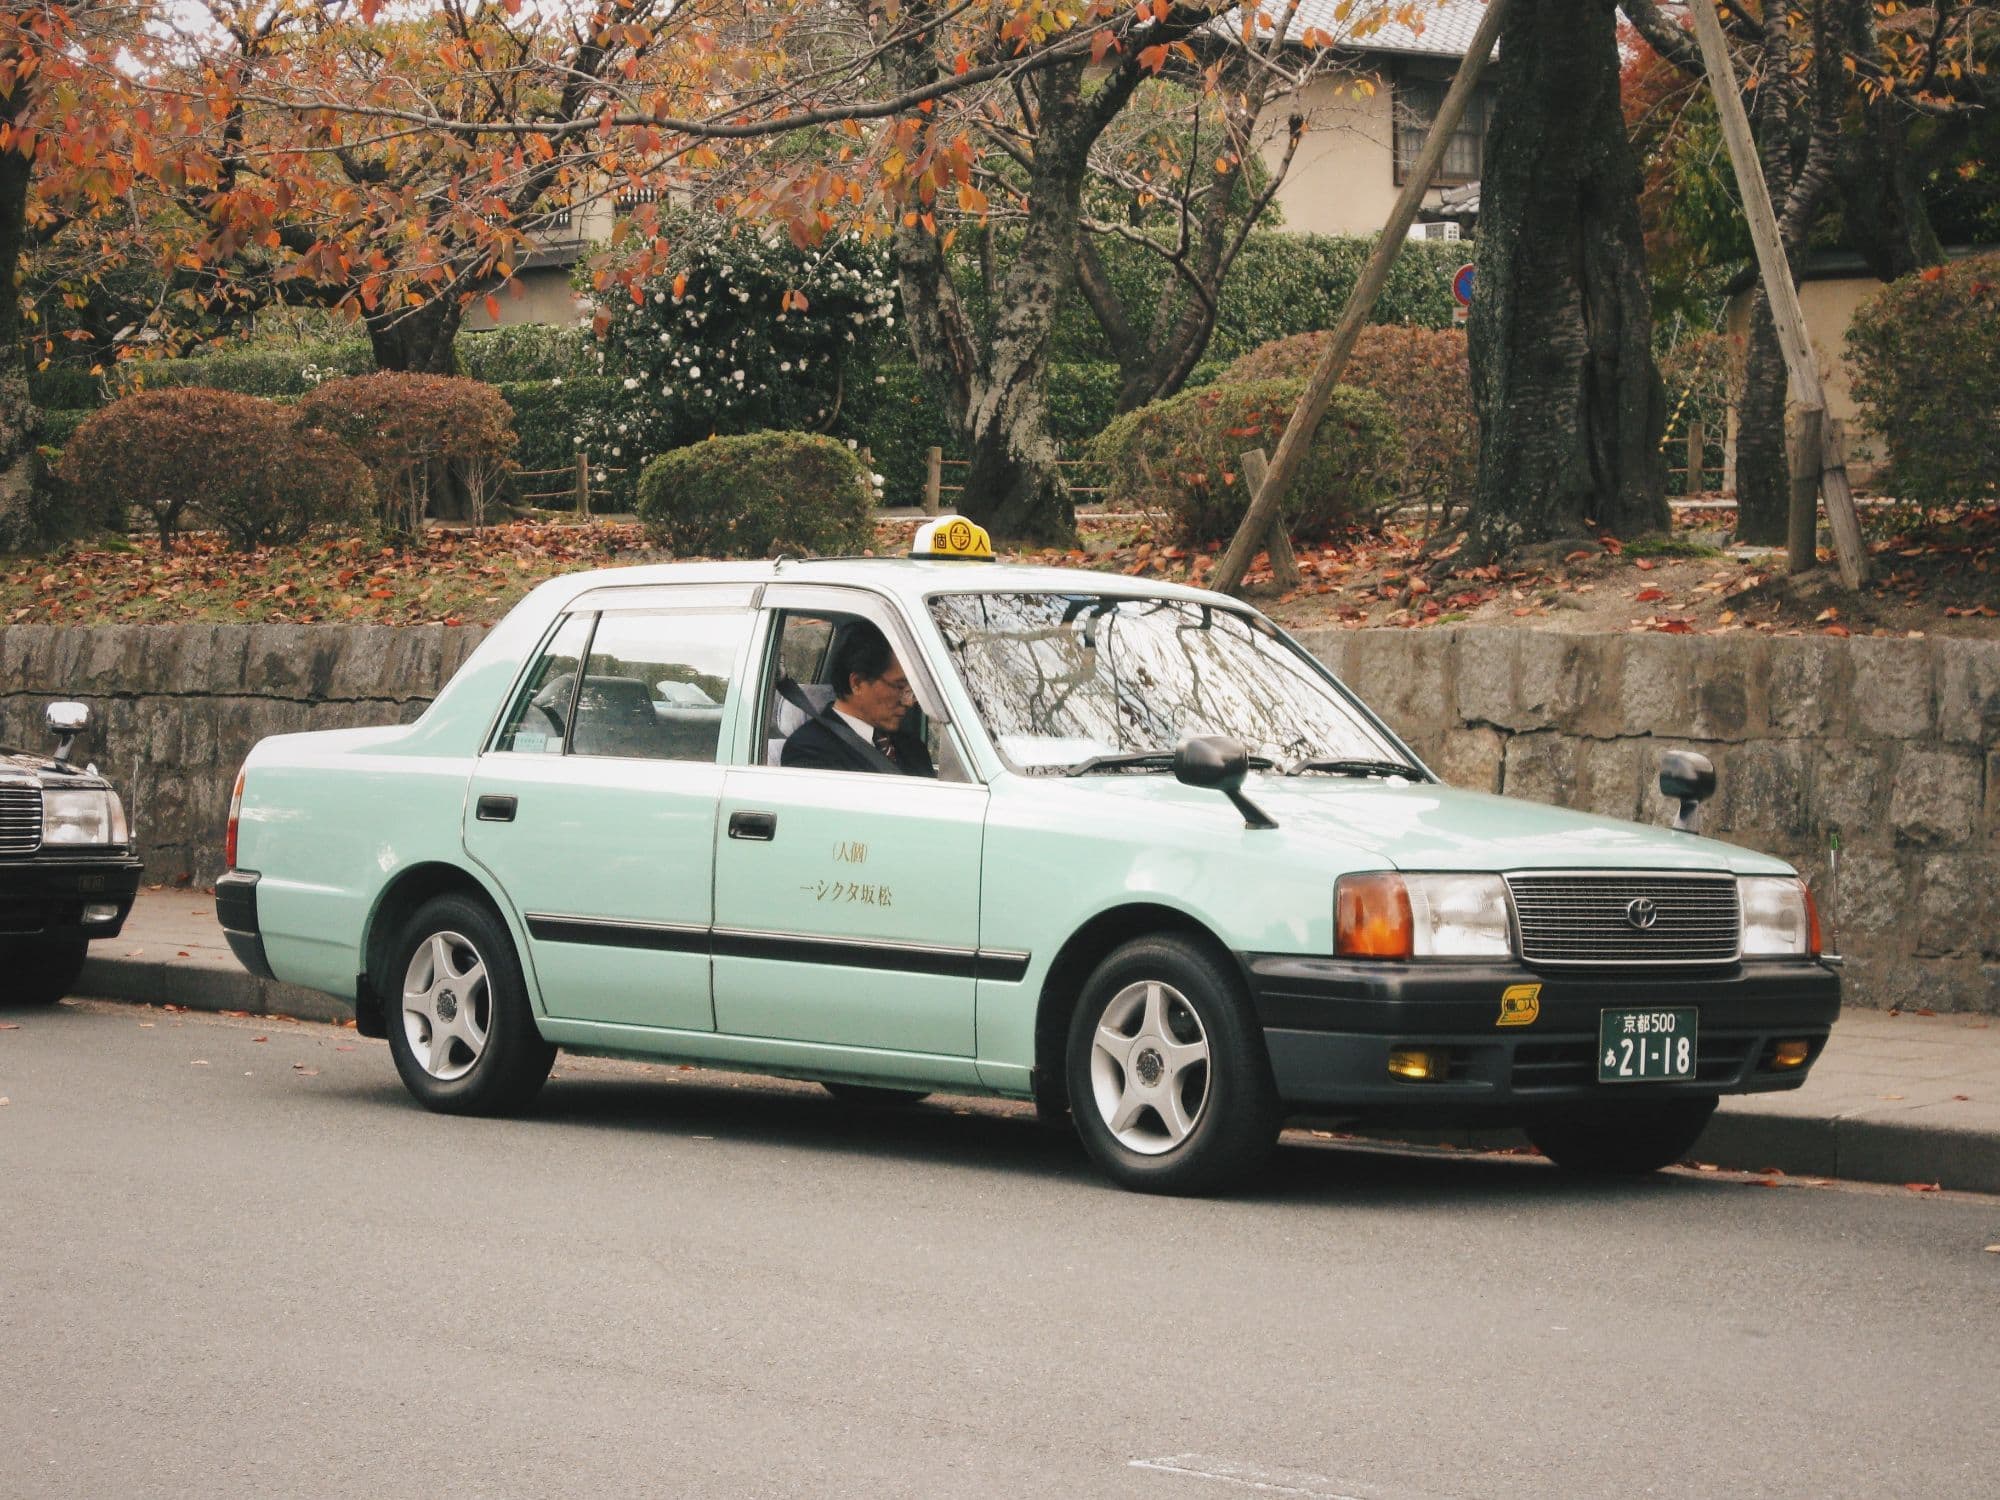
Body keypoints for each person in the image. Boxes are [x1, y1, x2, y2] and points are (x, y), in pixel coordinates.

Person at [781, 621, 937, 777]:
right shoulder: (809, 750)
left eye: (912, 690)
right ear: (857, 683)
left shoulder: (913, 748)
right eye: (900, 687)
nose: (909, 702)